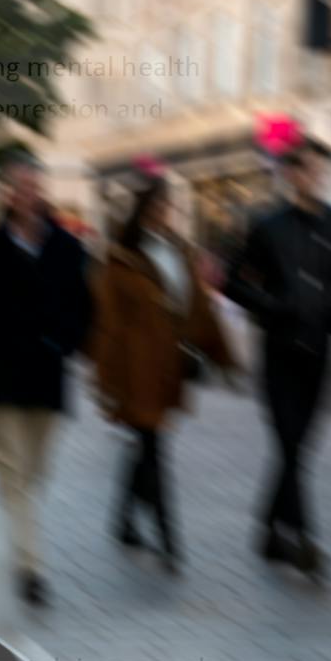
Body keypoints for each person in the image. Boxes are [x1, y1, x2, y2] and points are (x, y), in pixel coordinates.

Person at [0, 152, 92, 605]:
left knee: (34, 474)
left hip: (48, 379)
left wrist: (66, 342)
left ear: (42, 189)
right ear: (5, 193)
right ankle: (31, 568)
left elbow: (85, 306)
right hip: (2, 379)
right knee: (12, 473)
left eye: (33, 185)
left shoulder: (67, 248)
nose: (26, 194)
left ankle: (19, 537)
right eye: (17, 186)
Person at [223, 137, 331, 577]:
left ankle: (268, 529)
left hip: (319, 353)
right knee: (288, 442)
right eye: (306, 169)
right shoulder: (268, 227)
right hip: (279, 353)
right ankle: (303, 540)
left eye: (322, 171)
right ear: (289, 174)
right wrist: (272, 305)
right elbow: (232, 282)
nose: (315, 178)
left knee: (296, 447)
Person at [90, 174, 237, 574]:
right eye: (155, 206)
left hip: (170, 367)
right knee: (155, 450)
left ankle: (123, 521)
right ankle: (170, 541)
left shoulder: (179, 251)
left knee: (146, 444)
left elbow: (199, 310)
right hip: (135, 369)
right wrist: (105, 381)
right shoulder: (121, 256)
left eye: (167, 206)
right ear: (141, 209)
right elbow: (108, 324)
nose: (162, 213)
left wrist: (224, 357)